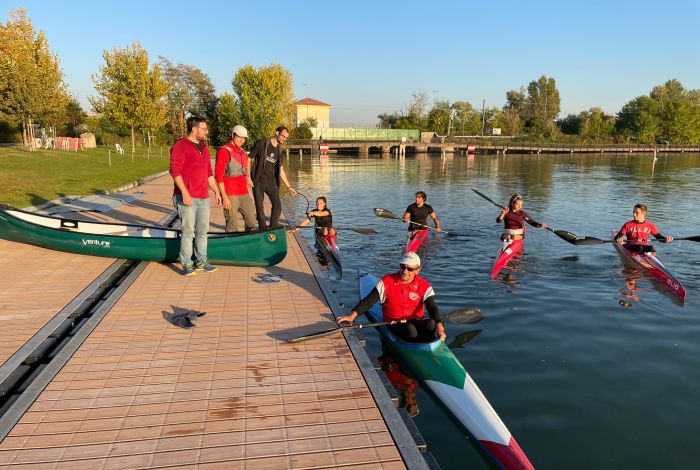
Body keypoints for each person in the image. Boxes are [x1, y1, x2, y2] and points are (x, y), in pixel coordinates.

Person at [336, 252, 446, 342]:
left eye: (409, 269)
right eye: (402, 267)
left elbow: (432, 308)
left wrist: (440, 327)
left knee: (431, 324)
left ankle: (431, 342)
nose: (404, 271)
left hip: (415, 320)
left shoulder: (424, 286)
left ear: (418, 270)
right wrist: (351, 316)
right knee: (410, 330)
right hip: (394, 322)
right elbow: (369, 301)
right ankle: (418, 348)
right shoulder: (387, 282)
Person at [169, 116, 222, 276]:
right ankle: (186, 264)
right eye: (204, 128)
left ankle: (201, 261)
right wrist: (185, 192)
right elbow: (174, 171)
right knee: (188, 232)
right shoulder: (180, 146)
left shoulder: (204, 148)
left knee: (202, 231)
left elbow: (208, 173)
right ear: (194, 129)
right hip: (187, 197)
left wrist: (216, 191)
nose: (207, 131)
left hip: (203, 196)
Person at [249, 125, 298, 229]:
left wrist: (289, 187)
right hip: (258, 181)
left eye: (286, 137)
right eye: (283, 136)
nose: (284, 139)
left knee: (277, 206)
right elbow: (249, 158)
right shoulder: (262, 143)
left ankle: (272, 227)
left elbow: (280, 170)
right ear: (277, 133)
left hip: (271, 182)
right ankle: (262, 229)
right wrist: (247, 177)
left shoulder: (279, 152)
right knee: (260, 208)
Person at [215, 125, 256, 232]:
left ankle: (250, 244)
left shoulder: (242, 152)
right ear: (233, 135)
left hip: (244, 193)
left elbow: (244, 175)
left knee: (252, 221)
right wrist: (224, 197)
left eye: (244, 138)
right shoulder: (224, 151)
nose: (242, 140)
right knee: (232, 225)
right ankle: (232, 246)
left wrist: (248, 192)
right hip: (230, 194)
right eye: (239, 137)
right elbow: (218, 175)